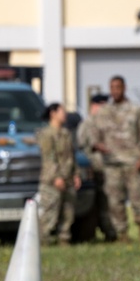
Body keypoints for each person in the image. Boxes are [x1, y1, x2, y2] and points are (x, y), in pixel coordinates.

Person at [91, 75, 140, 243]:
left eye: (118, 87)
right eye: (112, 88)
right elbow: (95, 136)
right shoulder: (104, 112)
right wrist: (98, 145)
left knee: (138, 198)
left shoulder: (136, 110)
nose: (115, 91)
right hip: (111, 164)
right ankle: (123, 235)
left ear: (124, 88)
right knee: (114, 201)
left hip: (132, 162)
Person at [38, 103, 82, 245]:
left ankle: (64, 239)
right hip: (52, 180)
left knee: (68, 212)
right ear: (53, 113)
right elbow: (48, 158)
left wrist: (76, 174)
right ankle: (44, 240)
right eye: (62, 111)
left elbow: (71, 156)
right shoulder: (46, 134)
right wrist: (56, 177)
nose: (65, 114)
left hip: (68, 178)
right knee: (50, 212)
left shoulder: (66, 133)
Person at [76, 94, 117, 241]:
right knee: (95, 206)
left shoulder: (107, 123)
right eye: (102, 104)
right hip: (94, 171)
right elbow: (82, 148)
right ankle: (95, 234)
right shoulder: (87, 125)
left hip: (107, 170)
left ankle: (111, 233)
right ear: (94, 106)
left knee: (109, 203)